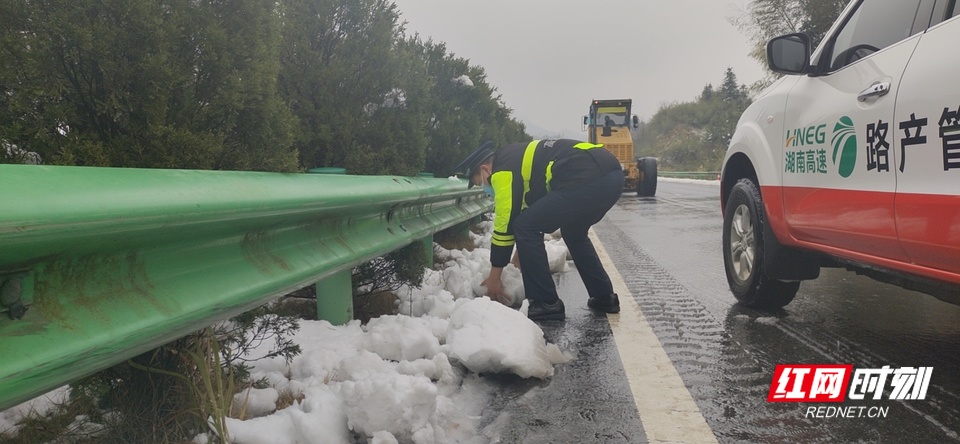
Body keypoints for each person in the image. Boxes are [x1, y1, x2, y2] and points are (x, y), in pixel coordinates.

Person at [454, 139, 624, 321]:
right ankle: (604, 297)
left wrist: (495, 276)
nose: (486, 188)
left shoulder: (502, 171)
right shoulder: (515, 158)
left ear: (485, 169)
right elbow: (536, 215)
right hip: (612, 178)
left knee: (524, 226)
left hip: (586, 177)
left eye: (481, 183)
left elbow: (506, 223)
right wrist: (521, 255)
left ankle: (546, 303)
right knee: (573, 232)